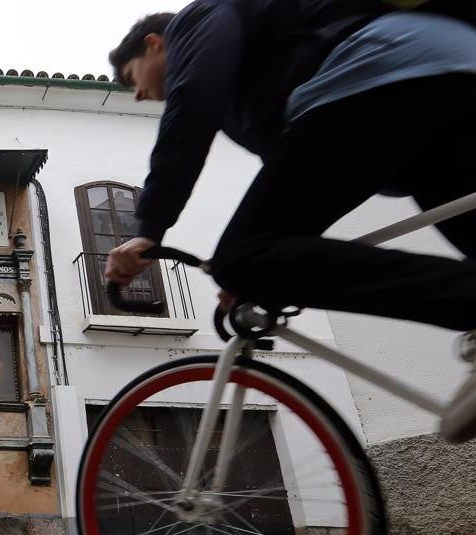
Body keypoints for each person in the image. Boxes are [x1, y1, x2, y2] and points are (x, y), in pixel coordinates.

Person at [103, 0, 476, 442]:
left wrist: (149, 229)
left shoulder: (196, 19)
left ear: (154, 44)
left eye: (131, 78)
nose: (139, 95)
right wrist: (266, 265)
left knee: (241, 256)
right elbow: (303, 181)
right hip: (447, 73)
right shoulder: (254, 87)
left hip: (382, 72)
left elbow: (192, 103)